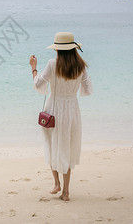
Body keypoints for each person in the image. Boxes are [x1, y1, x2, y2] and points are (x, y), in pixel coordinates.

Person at [29, 32, 92, 201]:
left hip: (54, 109)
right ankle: (65, 192)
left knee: (52, 145)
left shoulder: (52, 64)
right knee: (67, 148)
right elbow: (86, 90)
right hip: (72, 110)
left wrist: (33, 67)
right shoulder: (81, 66)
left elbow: (38, 84)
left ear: (57, 49)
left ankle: (56, 182)